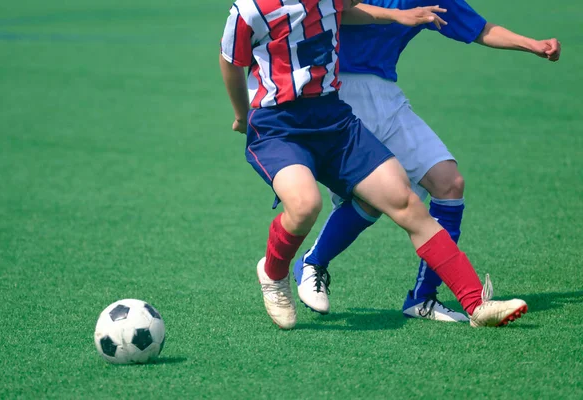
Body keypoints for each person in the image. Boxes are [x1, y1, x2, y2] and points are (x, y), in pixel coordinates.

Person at [220, 0, 527, 330]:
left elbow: (347, 11)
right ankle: (274, 272)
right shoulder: (249, 9)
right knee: (305, 205)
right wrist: (242, 115)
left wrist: (398, 16)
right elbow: (230, 62)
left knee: (405, 201)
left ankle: (476, 304)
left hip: (334, 121)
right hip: (278, 126)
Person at [293, 0, 561, 321]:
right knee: (372, 200)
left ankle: (422, 298)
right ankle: (313, 262)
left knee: (449, 183)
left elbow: (480, 29)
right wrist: (397, 16)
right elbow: (330, 12)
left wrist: (532, 45)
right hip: (337, 91)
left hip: (386, 96)